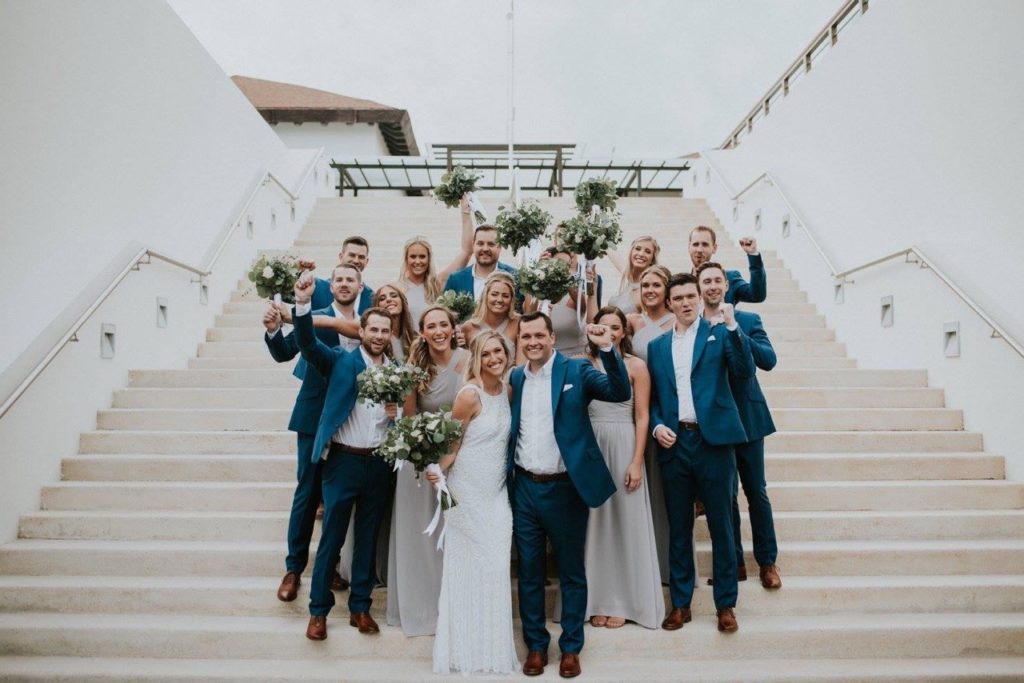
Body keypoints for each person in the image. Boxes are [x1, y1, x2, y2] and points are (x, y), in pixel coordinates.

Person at [509, 311, 630, 679]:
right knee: (529, 572)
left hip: (566, 487)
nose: (532, 342)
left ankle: (571, 648)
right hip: (525, 487)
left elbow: (619, 391)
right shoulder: (516, 377)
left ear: (551, 337)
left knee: (571, 572)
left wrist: (608, 348)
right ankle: (535, 646)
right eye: (525, 336)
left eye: (538, 336)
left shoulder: (576, 370)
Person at [291, 272, 397, 641]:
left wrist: (397, 415)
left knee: (367, 538)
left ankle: (360, 608)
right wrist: (302, 305)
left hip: (379, 464)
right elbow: (306, 343)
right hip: (343, 462)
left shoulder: (397, 373)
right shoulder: (340, 361)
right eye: (374, 330)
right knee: (333, 538)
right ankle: (318, 611)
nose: (380, 336)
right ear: (361, 332)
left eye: (386, 331)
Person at [647, 273, 754, 634]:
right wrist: (657, 424)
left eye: (691, 296)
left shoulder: (719, 333)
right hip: (675, 445)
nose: (687, 302)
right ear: (670, 304)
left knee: (722, 526)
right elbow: (657, 397)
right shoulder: (658, 347)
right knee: (679, 527)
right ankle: (680, 604)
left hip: (714, 444)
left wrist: (733, 325)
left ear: (699, 297)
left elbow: (743, 371)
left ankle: (726, 604)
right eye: (678, 298)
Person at [263, 264, 361, 601]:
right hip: (313, 413)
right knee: (307, 490)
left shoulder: (369, 321)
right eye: (339, 280)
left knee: (335, 498)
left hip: (354, 423)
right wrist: (275, 330)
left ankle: (330, 564)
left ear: (361, 286)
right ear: (330, 286)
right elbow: (283, 353)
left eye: (351, 279)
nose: (345, 284)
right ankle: (293, 568)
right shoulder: (313, 314)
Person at [429, 332, 519, 675]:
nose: (494, 358)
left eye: (498, 351)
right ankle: (464, 651)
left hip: (496, 494)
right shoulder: (469, 395)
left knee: (495, 569)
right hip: (467, 494)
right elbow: (450, 447)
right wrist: (436, 471)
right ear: (476, 359)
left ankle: (491, 650)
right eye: (486, 354)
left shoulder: (508, 391)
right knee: (467, 569)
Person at [697, 262, 782, 590]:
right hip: (716, 422)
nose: (713, 286)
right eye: (706, 281)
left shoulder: (748, 320)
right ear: (699, 287)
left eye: (718, 280)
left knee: (755, 491)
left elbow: (769, 360)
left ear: (727, 286)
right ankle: (733, 563)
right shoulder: (694, 328)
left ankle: (767, 561)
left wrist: (734, 327)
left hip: (748, 419)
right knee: (724, 496)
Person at [386, 306, 470, 636]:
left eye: (443, 325)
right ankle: (423, 609)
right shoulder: (414, 368)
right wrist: (423, 451)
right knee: (422, 535)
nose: (438, 331)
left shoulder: (467, 359)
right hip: (421, 460)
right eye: (430, 326)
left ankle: (456, 609)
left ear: (452, 328)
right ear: (422, 331)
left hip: (461, 457)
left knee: (455, 536)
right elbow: (407, 420)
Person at [581, 306, 664, 630]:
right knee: (595, 525)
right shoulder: (583, 364)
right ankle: (597, 600)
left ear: (624, 332)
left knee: (625, 525)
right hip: (592, 446)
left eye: (616, 327)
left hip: (624, 443)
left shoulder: (635, 366)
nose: (611, 332)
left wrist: (636, 461)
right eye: (604, 326)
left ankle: (626, 601)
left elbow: (642, 415)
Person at [625, 265, 676, 582]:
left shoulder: (676, 322)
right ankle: (642, 567)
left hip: (668, 412)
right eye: (645, 285)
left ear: (666, 289)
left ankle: (668, 567)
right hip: (637, 412)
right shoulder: (632, 322)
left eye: (656, 285)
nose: (650, 290)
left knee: (667, 496)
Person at [397, 196, 475, 322]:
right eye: (413, 257)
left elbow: (467, 251)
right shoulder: (397, 288)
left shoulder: (437, 284)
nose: (418, 261)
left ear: (429, 259)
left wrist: (465, 212)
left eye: (422, 256)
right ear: (406, 259)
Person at [526, 247, 598, 358]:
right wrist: (537, 272)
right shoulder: (538, 295)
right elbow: (527, 315)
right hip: (546, 359)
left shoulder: (574, 294)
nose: (563, 267)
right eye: (558, 263)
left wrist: (566, 276)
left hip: (575, 359)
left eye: (567, 264)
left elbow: (583, 306)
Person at [687, 226, 766, 305]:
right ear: (689, 247)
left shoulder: (730, 278)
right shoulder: (682, 282)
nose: (699, 250)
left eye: (705, 245)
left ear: (714, 248)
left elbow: (757, 295)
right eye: (695, 244)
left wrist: (753, 254)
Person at [442, 223, 517, 300]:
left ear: (500, 247)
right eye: (480, 244)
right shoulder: (456, 279)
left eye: (491, 244)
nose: (485, 249)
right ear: (473, 245)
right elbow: (446, 311)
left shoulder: (516, 277)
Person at [461, 271, 520, 353]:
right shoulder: (468, 327)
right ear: (485, 295)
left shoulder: (518, 323)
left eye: (505, 296)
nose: (499, 300)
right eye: (494, 294)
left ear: (511, 299)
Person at [606, 236, 661, 314]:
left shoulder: (649, 289)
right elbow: (608, 247)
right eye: (638, 249)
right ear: (631, 252)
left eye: (648, 251)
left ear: (652, 259)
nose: (641, 254)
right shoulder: (626, 275)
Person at [373, 283, 416, 363]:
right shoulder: (376, 338)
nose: (388, 300)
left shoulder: (415, 337)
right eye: (382, 299)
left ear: (402, 302)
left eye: (394, 296)